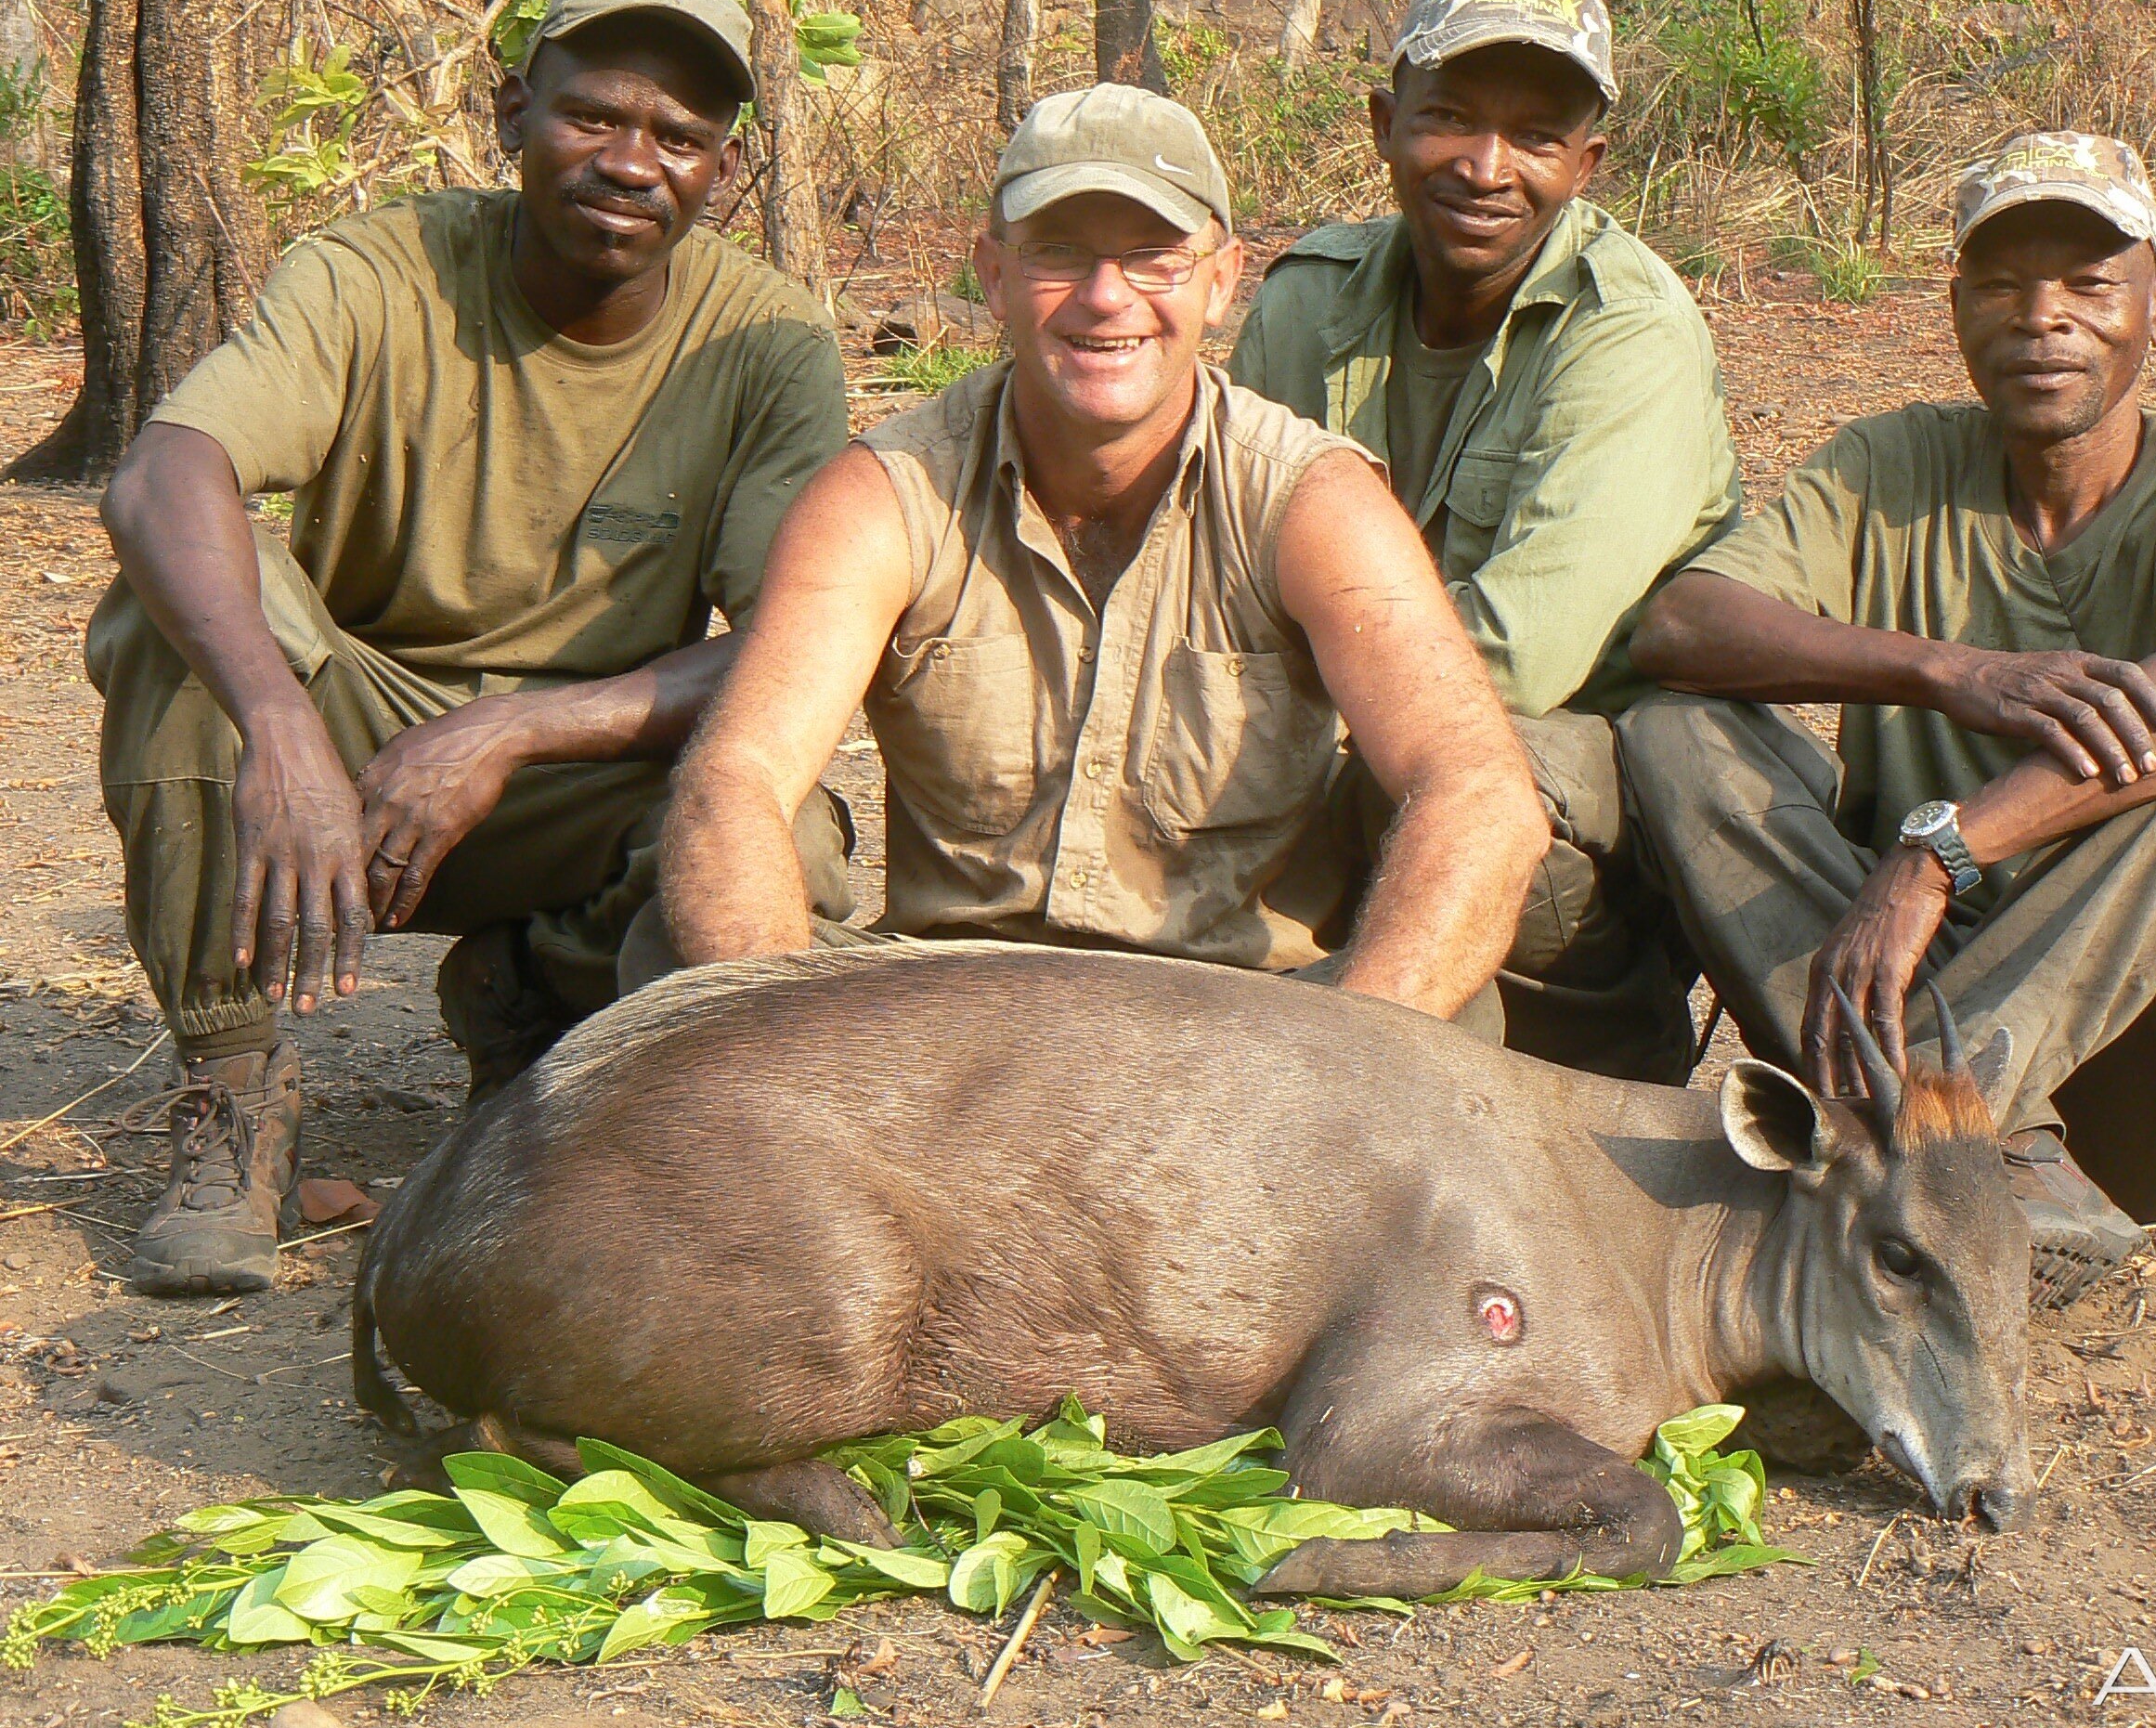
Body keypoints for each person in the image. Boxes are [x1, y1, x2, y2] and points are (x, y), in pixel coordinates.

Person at [89, 0, 855, 1294]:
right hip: (350, 752)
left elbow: (796, 639)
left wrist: (513, 728)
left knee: (788, 831)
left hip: (581, 772)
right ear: (511, 113)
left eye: (679, 138)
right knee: (184, 615)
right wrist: (278, 724)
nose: (631, 162)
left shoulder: (768, 343)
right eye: (592, 116)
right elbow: (164, 472)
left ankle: (546, 1016)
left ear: (721, 175)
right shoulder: (375, 273)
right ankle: (232, 1094)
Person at [652, 84, 1547, 1023]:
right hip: (946, 1014)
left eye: (1152, 258)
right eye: (1059, 254)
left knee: (1454, 1013)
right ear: (993, 276)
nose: (1104, 296)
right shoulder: (885, 493)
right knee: (687, 922)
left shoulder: (1311, 499)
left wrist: (1343, 1057)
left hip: (1244, 1023)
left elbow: (1479, 792)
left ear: (1220, 279)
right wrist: (778, 1055)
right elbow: (739, 774)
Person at [1621, 132, 2156, 1307]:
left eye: (2090, 285)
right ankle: (1964, 1149)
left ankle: (1935, 1125)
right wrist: (1946, 671)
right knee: (1668, 730)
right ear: (1954, 306)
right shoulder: (1891, 463)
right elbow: (1683, 626)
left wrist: (1938, 851)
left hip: (2153, 1094)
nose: (2042, 318)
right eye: (2001, 284)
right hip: (1896, 1026)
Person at [1229, 0, 1736, 1081]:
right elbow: (1226, 568)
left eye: (1536, 137)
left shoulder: (1628, 332)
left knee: (1458, 788)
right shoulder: (1307, 301)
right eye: (1447, 117)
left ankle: (1554, 1079)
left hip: (1577, 782)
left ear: (1586, 162)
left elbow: (1522, 655)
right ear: (1381, 122)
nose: (1484, 166)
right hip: (1355, 741)